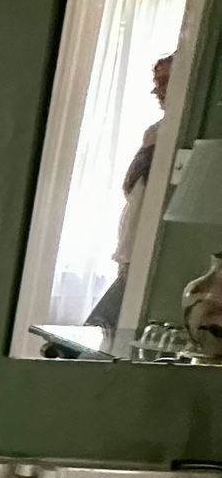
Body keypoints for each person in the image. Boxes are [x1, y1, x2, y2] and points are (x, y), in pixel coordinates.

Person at [86, 51, 174, 329]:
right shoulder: (155, 131)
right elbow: (131, 185)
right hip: (132, 250)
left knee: (101, 328)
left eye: (163, 82)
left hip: (152, 250)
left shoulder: (176, 133)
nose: (155, 90)